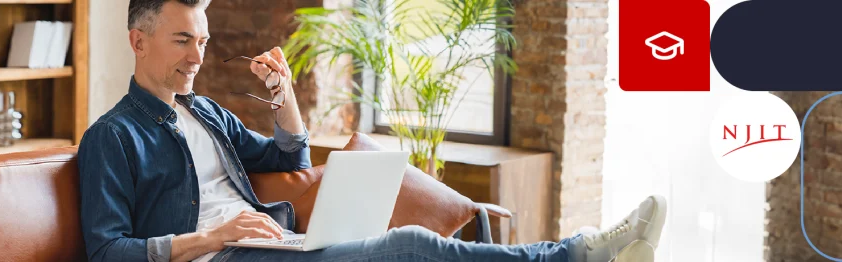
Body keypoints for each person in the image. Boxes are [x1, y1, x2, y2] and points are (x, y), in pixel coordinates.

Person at [77, 0, 669, 261]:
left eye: (202, 41)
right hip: (220, 258)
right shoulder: (112, 136)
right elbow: (107, 251)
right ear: (138, 40)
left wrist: (284, 99)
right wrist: (214, 237)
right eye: (183, 40)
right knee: (408, 246)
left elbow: (293, 154)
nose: (197, 55)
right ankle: (577, 253)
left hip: (270, 245)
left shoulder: (205, 113)